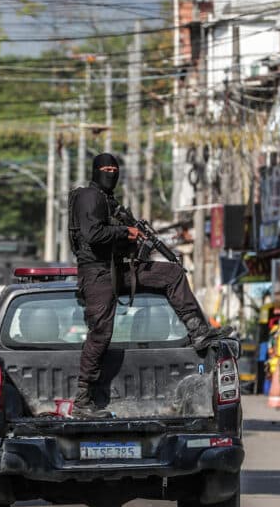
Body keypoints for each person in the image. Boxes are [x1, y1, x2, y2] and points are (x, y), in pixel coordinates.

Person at [68, 153, 227, 417]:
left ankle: (197, 330)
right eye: (105, 169)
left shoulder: (108, 201)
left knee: (171, 273)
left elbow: (113, 234)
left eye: (114, 169)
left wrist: (134, 237)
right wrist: (125, 232)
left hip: (117, 270)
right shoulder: (89, 196)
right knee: (101, 332)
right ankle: (83, 400)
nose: (110, 173)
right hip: (97, 273)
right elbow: (93, 234)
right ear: (95, 171)